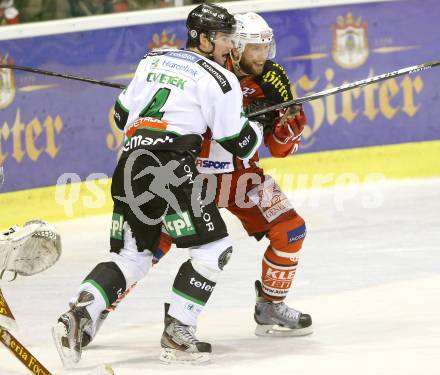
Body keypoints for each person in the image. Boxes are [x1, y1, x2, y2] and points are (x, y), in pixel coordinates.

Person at [79, 10, 312, 347]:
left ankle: (270, 306)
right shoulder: (208, 71)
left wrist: (288, 127)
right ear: (233, 47)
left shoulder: (272, 79)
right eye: (252, 48)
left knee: (291, 230)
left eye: (265, 49)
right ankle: (97, 311)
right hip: (195, 175)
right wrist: (238, 120)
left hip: (242, 177)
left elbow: (279, 148)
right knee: (147, 249)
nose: (261, 57)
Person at [52, 3, 263, 367]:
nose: (230, 46)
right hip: (171, 169)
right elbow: (239, 143)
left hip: (130, 164)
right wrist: (258, 123)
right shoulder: (221, 78)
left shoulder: (152, 61)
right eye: (225, 38)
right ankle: (179, 332)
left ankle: (77, 316)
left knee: (132, 256)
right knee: (214, 250)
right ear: (203, 37)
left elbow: (121, 117)